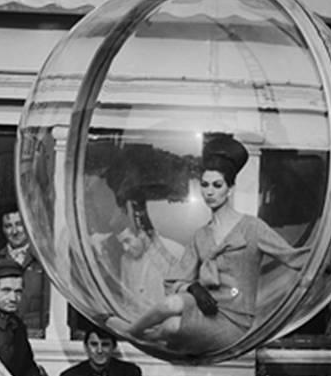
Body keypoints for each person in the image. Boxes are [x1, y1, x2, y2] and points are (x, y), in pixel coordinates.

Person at [116, 135, 309, 354]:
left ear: (230, 189)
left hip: (234, 320)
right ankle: (131, 333)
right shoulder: (202, 235)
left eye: (217, 185)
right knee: (169, 307)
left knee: (171, 327)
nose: (209, 192)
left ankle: (142, 336)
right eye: (205, 185)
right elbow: (174, 280)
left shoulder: (252, 228)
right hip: (205, 307)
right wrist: (193, 288)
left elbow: (294, 257)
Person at [113, 205, 184, 315]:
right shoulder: (125, 260)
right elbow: (127, 303)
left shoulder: (174, 252)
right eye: (121, 243)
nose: (125, 248)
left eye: (127, 240)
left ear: (142, 233)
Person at [0, 209, 49, 336]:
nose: (14, 231)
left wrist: (44, 330)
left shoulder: (44, 258)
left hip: (36, 334)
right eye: (8, 226)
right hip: (4, 333)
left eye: (19, 224)